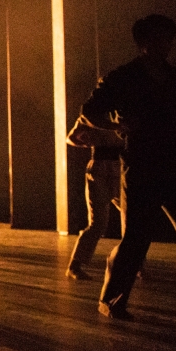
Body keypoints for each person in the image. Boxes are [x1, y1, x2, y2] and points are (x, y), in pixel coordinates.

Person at [83, 15, 176, 320]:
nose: (167, 45)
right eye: (160, 38)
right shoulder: (123, 77)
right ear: (143, 43)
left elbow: (172, 120)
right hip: (143, 164)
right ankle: (113, 299)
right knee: (137, 237)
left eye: (169, 39)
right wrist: (117, 125)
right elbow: (89, 112)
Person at [64, 114, 124, 280]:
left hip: (120, 167)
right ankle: (75, 265)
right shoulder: (91, 115)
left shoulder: (123, 112)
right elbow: (70, 138)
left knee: (131, 219)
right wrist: (85, 141)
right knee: (98, 223)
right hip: (100, 168)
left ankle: (135, 265)